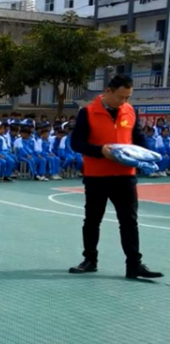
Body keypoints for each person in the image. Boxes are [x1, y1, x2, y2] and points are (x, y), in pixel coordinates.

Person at [68, 74, 163, 280]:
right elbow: (76, 144)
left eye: (128, 97)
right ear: (108, 91)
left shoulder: (130, 111)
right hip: (97, 176)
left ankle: (134, 265)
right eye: (121, 96)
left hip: (124, 176)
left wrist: (143, 156)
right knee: (92, 220)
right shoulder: (88, 112)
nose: (124, 101)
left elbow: (138, 140)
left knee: (129, 221)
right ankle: (90, 260)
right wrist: (100, 151)